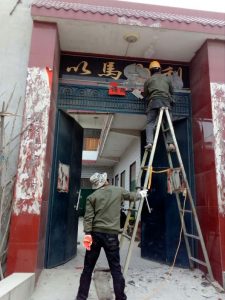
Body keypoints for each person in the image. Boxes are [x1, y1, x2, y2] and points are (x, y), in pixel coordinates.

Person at [76, 172, 136, 300]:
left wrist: (87, 234)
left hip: (95, 235)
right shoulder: (118, 190)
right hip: (111, 236)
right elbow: (132, 196)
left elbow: (88, 218)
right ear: (106, 180)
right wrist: (141, 195)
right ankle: (120, 298)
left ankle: (81, 297)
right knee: (115, 268)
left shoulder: (92, 197)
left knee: (88, 268)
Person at [143, 60, 175, 151]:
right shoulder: (167, 78)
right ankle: (171, 143)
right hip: (166, 102)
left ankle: (149, 142)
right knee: (168, 122)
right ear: (160, 69)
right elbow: (172, 92)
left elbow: (146, 95)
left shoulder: (148, 80)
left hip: (153, 102)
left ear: (150, 71)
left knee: (150, 123)